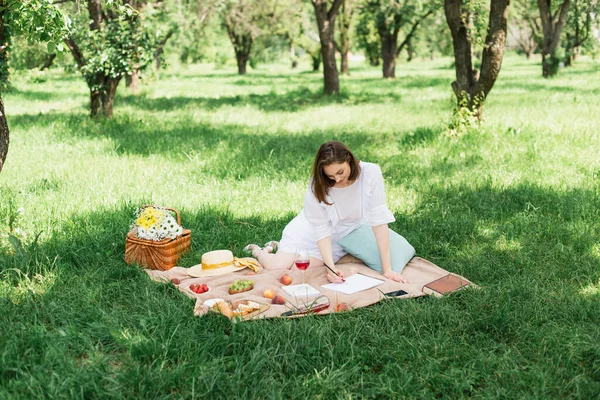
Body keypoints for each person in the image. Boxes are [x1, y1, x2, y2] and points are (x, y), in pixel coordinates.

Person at [244, 141, 408, 284]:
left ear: (348, 159)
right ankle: (259, 251)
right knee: (275, 267)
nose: (336, 180)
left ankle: (279, 248)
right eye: (330, 176)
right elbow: (321, 229)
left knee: (295, 270)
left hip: (340, 238)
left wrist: (387, 269)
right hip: (310, 233)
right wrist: (331, 268)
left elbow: (378, 219)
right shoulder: (317, 184)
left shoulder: (370, 173)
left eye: (340, 172)